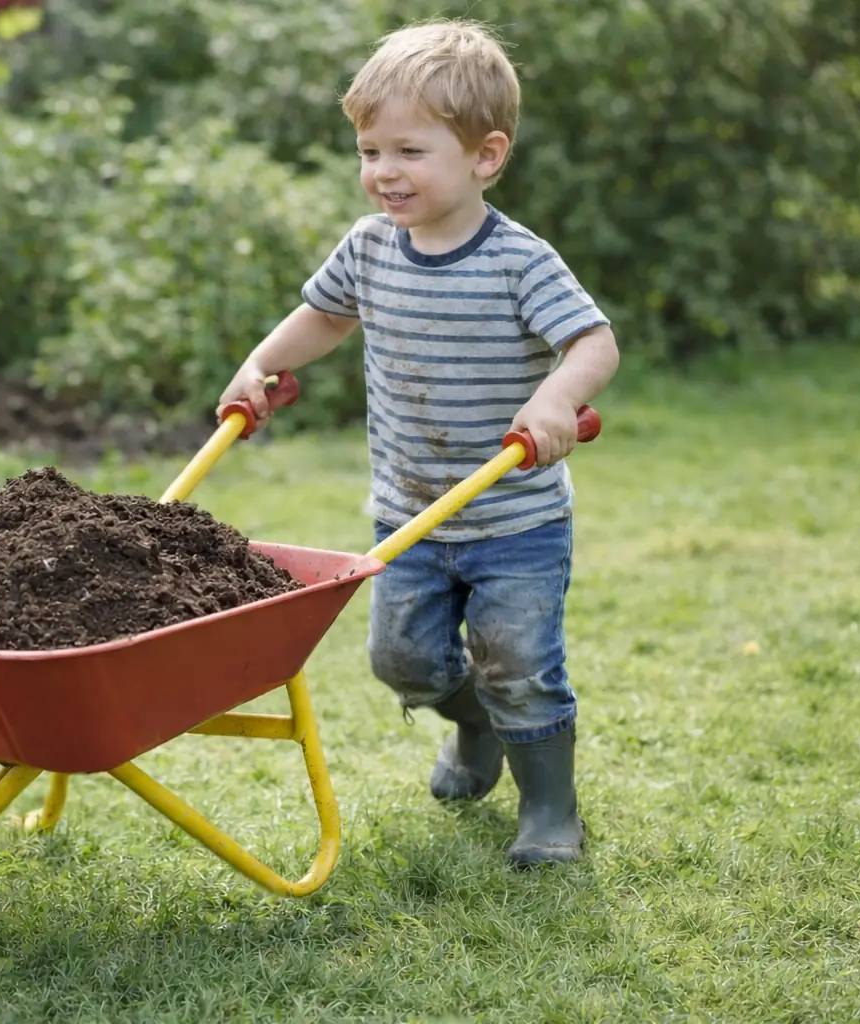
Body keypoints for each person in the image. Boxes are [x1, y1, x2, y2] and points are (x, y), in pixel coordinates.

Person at [217, 19, 620, 867]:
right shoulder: (370, 250)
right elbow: (323, 318)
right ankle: (475, 729)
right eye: (369, 151)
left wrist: (554, 399)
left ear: (485, 155)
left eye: (408, 151)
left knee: (519, 665)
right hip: (408, 516)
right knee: (402, 662)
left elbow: (594, 344)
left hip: (514, 519)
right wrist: (261, 364)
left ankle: (551, 811)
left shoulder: (518, 261)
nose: (382, 173)